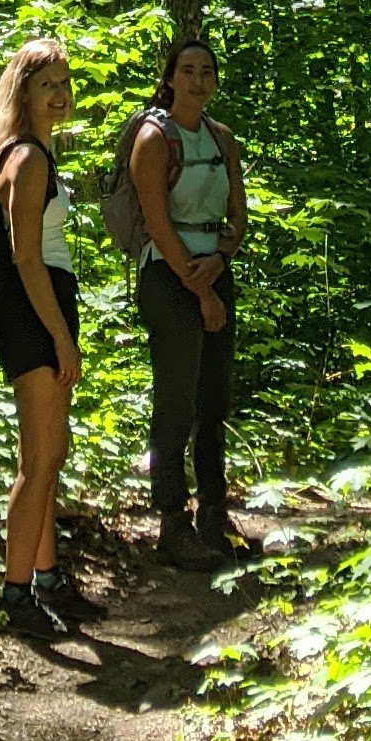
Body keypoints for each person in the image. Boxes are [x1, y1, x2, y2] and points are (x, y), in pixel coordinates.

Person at [0, 34, 104, 643]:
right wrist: (61, 337)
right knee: (38, 461)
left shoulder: (29, 153)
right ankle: (14, 594)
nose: (58, 95)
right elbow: (26, 258)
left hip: (46, 308)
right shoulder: (27, 160)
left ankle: (48, 579)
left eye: (63, 83)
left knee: (50, 454)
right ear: (22, 91)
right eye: (45, 84)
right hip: (37, 311)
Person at [127, 37, 249, 567]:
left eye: (207, 71)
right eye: (188, 70)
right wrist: (199, 289)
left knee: (214, 401)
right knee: (175, 402)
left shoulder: (223, 139)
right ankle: (171, 524)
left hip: (213, 273)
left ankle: (214, 517)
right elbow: (156, 220)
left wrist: (219, 263)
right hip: (168, 278)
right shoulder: (155, 139)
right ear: (170, 78)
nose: (199, 80)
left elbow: (238, 215)